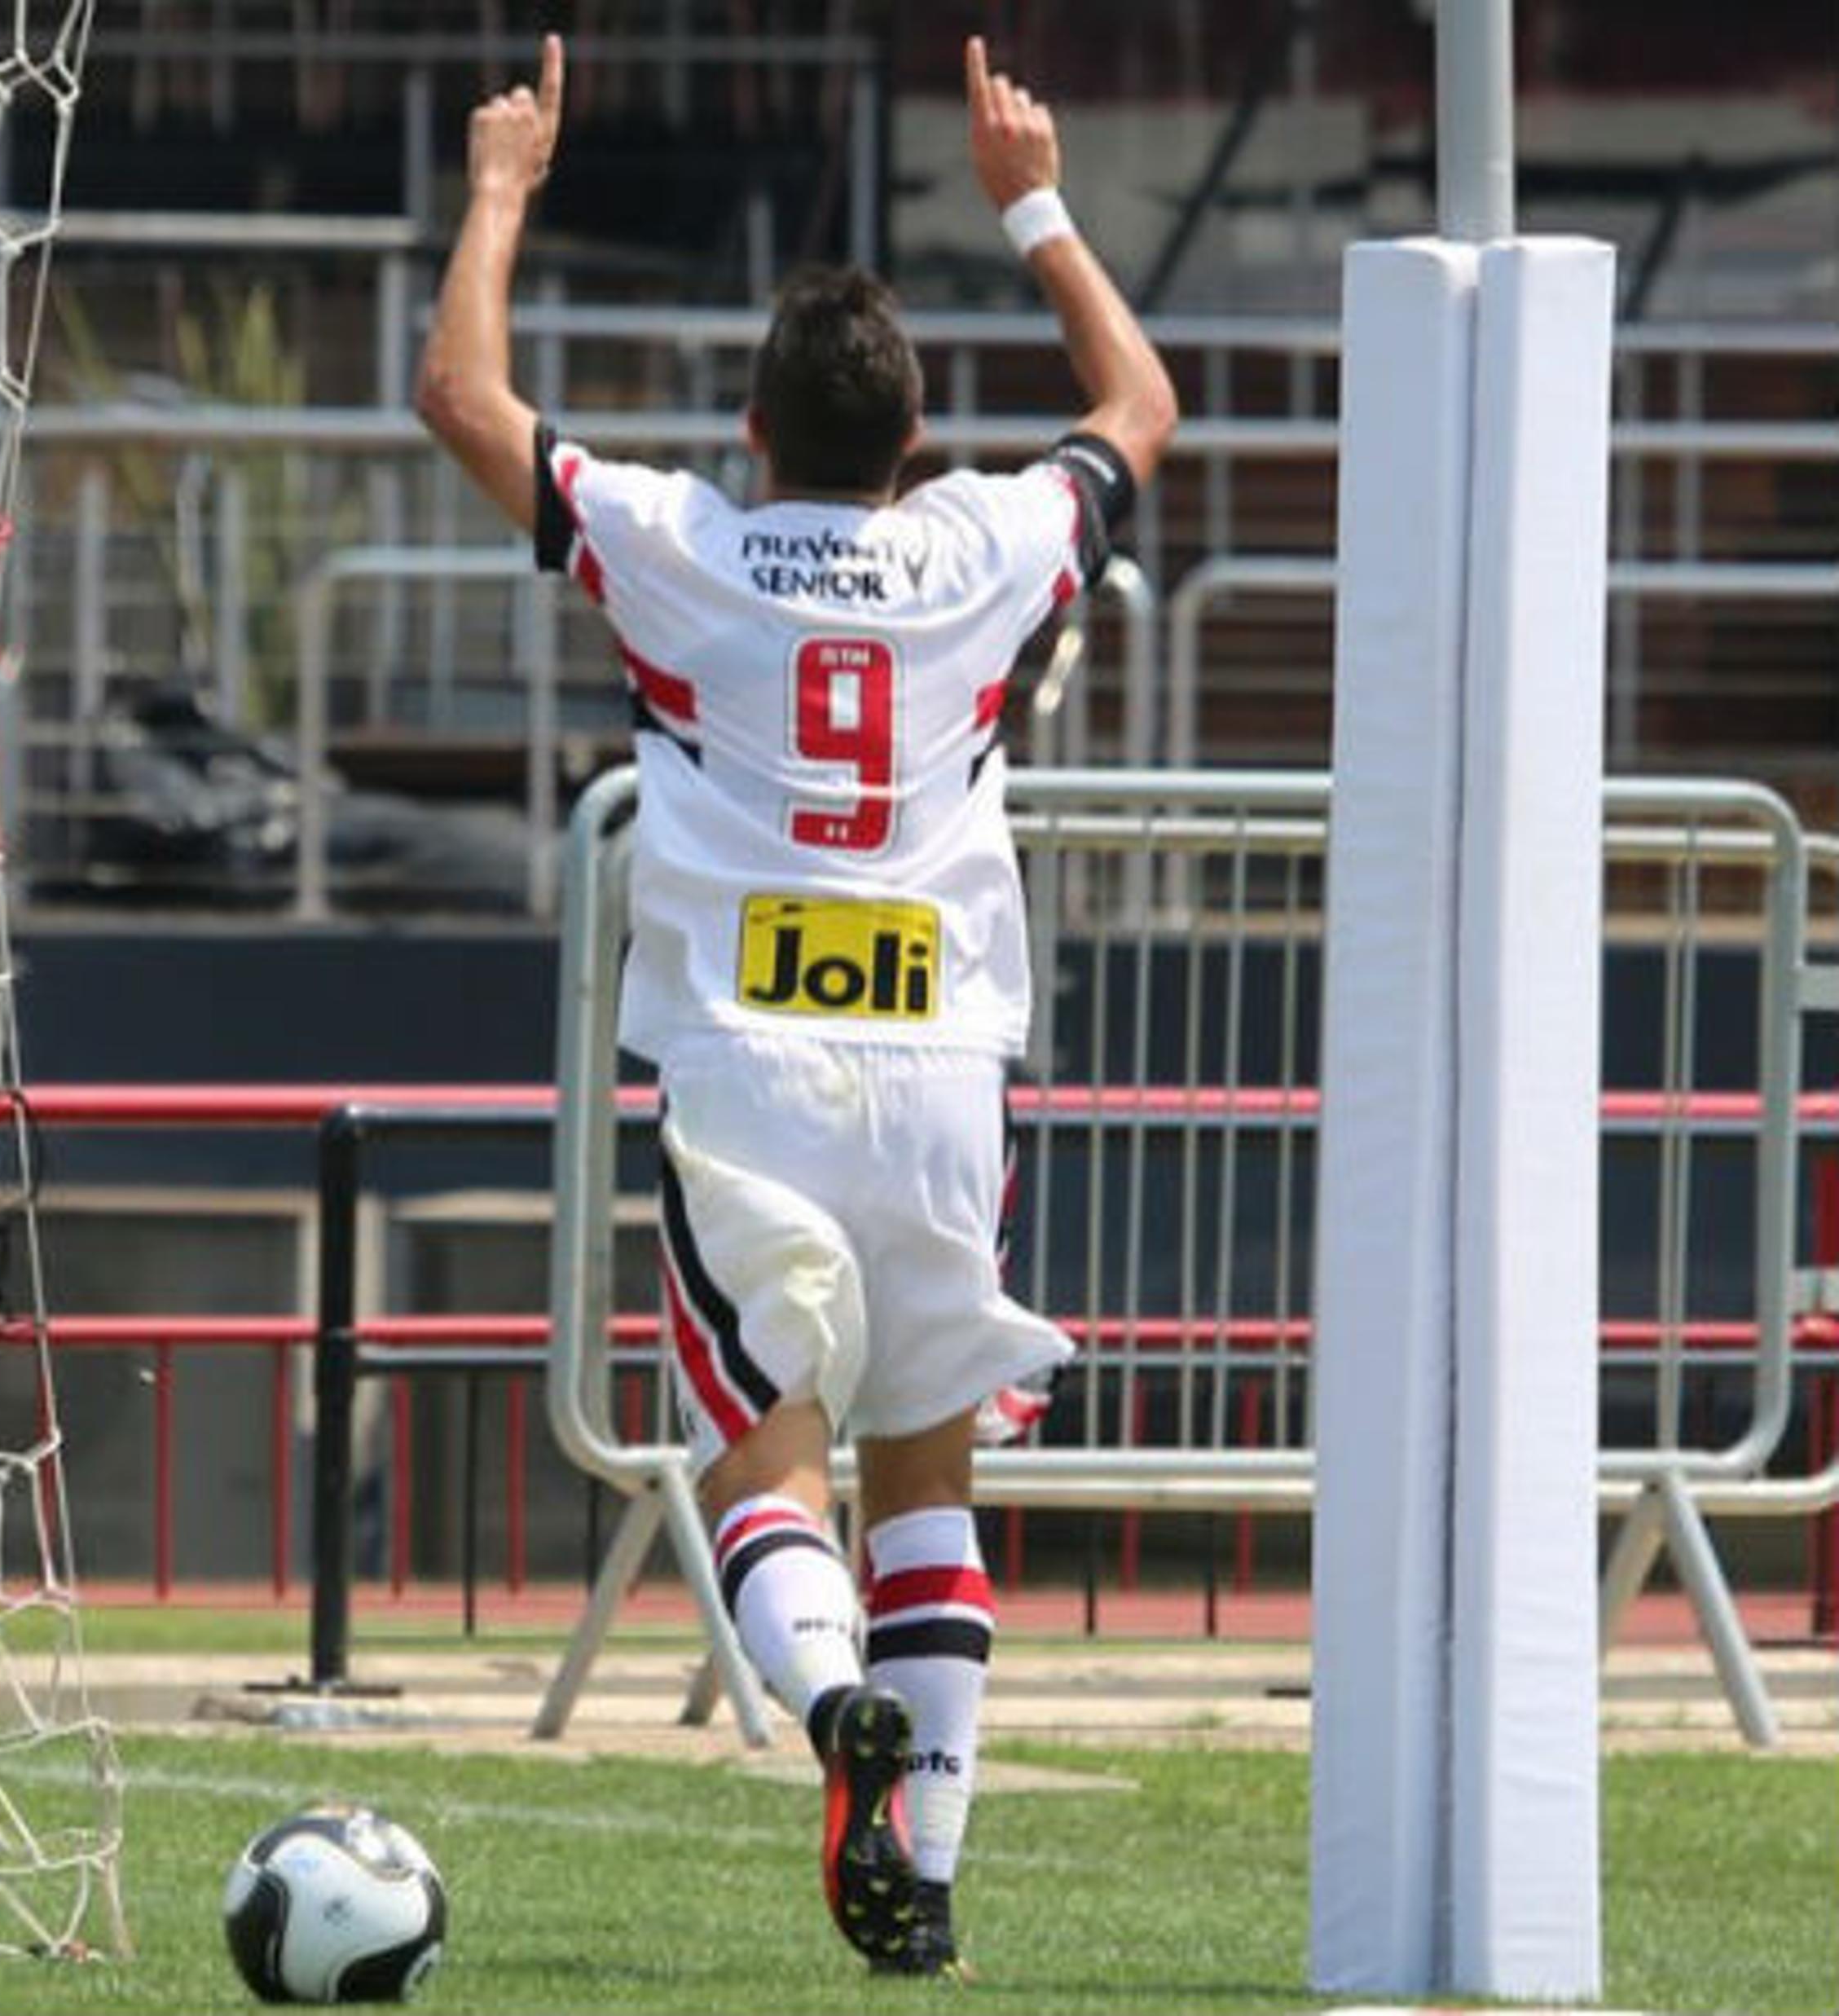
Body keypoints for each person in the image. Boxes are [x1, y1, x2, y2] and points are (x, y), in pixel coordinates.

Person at [415, 34, 1173, 1979]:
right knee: (926, 1466)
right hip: (940, 1066)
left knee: (771, 1448)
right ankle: (915, 1860)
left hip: (743, 1063)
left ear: (746, 433)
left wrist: (503, 183)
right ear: (908, 443)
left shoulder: (681, 548)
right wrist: (1029, 195)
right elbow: (1139, 403)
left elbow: (458, 396)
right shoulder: (986, 544)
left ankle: (823, 1694)